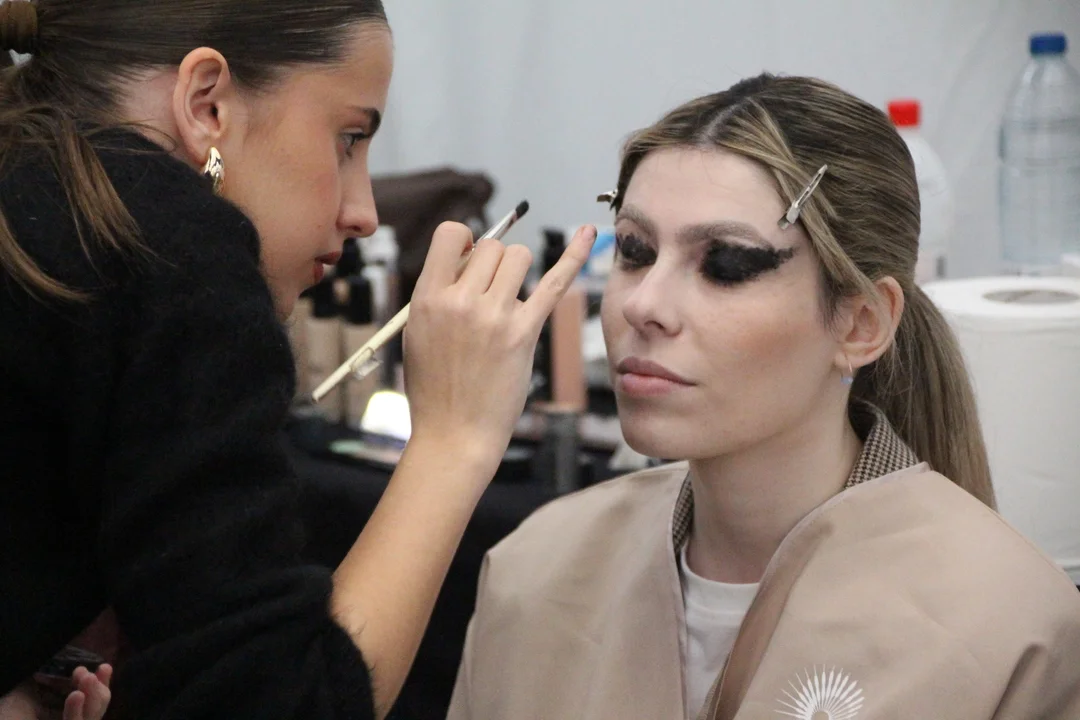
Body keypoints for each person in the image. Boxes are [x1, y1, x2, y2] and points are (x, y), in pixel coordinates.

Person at [0, 1, 596, 718]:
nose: (364, 212)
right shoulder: (171, 255)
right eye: (348, 139)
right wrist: (455, 439)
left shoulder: (43, 203)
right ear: (206, 103)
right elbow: (278, 704)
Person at [447, 74, 1080, 720]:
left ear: (861, 324)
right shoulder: (534, 572)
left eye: (726, 264)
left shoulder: (1011, 633)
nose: (643, 304)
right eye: (634, 252)